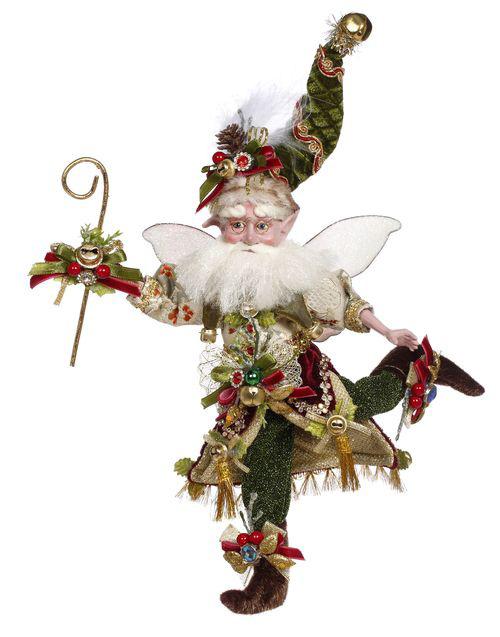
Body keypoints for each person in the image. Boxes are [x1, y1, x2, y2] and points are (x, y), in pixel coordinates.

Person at [128, 13, 483, 614]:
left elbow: (340, 299)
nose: (248, 235)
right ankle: (269, 575)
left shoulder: (298, 269)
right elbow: (168, 302)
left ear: (287, 223)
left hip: (302, 379)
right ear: (216, 224)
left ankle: (410, 366)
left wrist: (385, 330)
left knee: (362, 404)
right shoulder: (211, 275)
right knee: (261, 465)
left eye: (261, 225)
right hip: (246, 391)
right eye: (235, 225)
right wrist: (105, 275)